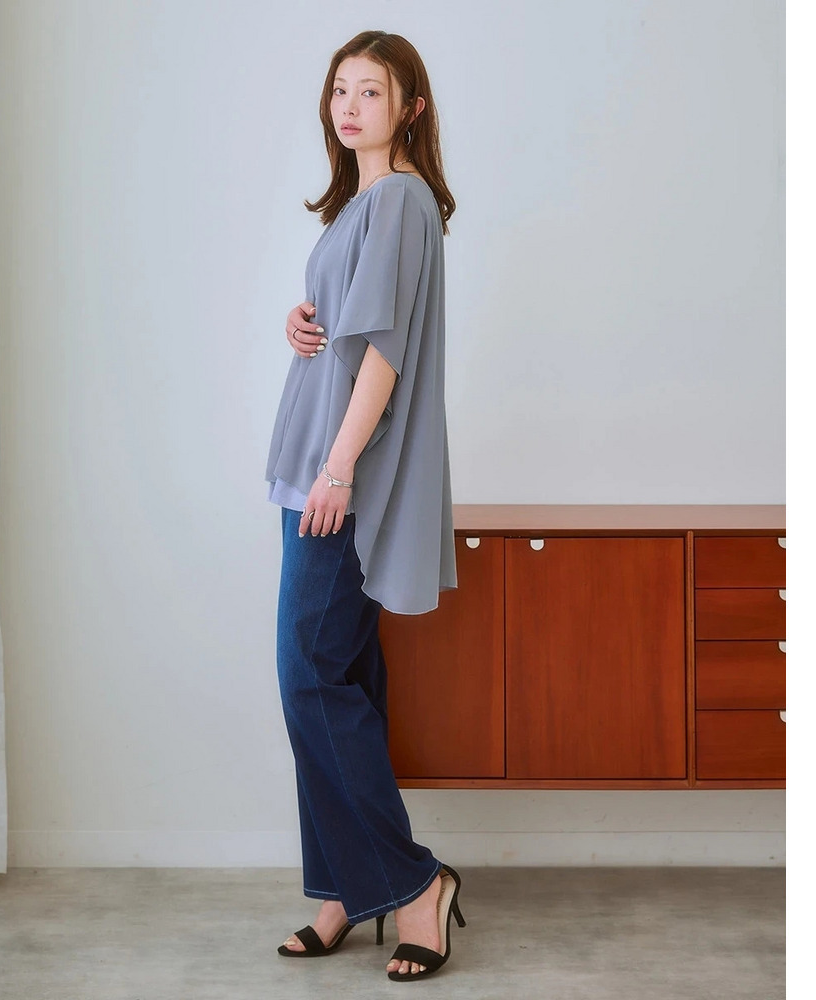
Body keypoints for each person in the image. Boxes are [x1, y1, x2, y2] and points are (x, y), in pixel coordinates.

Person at [264, 30, 462, 982]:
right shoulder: (362, 205)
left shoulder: (400, 199)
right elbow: (351, 330)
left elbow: (385, 352)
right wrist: (303, 319)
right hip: (317, 468)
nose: (349, 106)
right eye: (340, 89)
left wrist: (339, 470)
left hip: (340, 477)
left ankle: (414, 884)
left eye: (371, 91)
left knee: (310, 676)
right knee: (338, 673)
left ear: (409, 107)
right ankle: (348, 886)